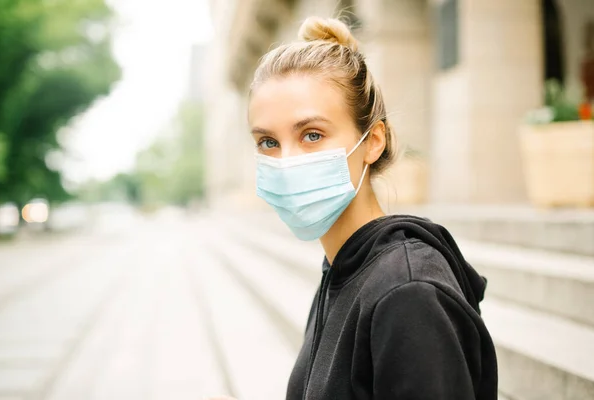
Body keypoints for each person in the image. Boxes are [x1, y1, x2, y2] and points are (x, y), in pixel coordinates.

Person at [210, 16, 498, 400]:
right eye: (267, 142)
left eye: (312, 135)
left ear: (373, 142)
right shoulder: (344, 266)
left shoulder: (407, 294)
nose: (286, 160)